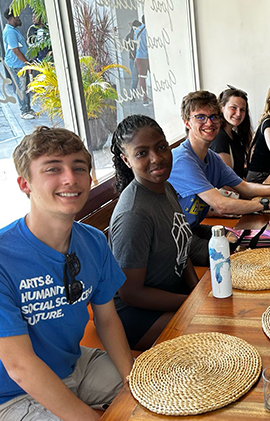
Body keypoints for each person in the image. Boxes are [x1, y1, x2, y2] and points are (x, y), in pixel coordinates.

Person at [0, 127, 133, 421]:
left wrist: (133, 384)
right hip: (10, 396)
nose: (70, 178)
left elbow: (107, 318)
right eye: (53, 169)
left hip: (75, 365)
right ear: (24, 184)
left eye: (79, 168)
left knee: (161, 390)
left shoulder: (93, 241)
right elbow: (20, 367)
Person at [168, 91, 270, 266]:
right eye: (200, 117)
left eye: (213, 117)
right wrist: (269, 204)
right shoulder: (183, 160)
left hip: (193, 228)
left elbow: (244, 187)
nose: (209, 123)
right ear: (187, 122)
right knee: (234, 257)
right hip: (172, 238)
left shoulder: (211, 158)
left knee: (247, 242)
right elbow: (221, 205)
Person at [109, 115, 199, 349]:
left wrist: (198, 291)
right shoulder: (134, 214)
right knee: (212, 333)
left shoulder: (165, 188)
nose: (156, 158)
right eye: (141, 153)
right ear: (126, 160)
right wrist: (191, 302)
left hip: (173, 295)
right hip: (139, 316)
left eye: (161, 147)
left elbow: (183, 250)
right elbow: (131, 293)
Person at [210, 86, 253, 179]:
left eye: (242, 110)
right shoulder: (219, 137)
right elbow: (227, 179)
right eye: (233, 108)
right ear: (221, 108)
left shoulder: (235, 136)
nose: (238, 114)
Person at [3, 8, 35, 120]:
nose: (19, 19)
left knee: (25, 87)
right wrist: (26, 63)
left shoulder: (13, 30)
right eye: (17, 17)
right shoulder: (10, 32)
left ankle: (28, 109)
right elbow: (15, 51)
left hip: (20, 64)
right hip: (16, 65)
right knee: (21, 88)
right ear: (11, 18)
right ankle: (24, 111)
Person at [134, 18, 150, 106]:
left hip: (139, 56)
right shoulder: (149, 30)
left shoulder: (137, 30)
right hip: (149, 57)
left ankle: (145, 99)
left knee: (142, 77)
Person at [125, 20, 141, 92]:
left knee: (135, 78)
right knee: (139, 78)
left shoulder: (129, 36)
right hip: (138, 58)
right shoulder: (136, 35)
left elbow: (127, 47)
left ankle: (133, 95)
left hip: (133, 58)